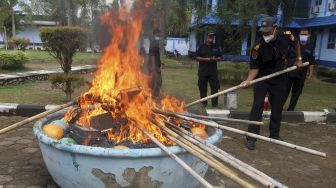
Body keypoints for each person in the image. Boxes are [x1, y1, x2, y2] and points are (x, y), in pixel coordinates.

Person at [241, 16, 303, 150]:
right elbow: (254, 68)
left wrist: (298, 59)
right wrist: (249, 80)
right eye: (263, 31)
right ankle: (251, 138)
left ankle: (274, 134)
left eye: (267, 31)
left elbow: (296, 42)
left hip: (280, 76)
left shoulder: (286, 36)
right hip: (263, 77)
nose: (265, 34)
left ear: (275, 28)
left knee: (277, 106)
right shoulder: (257, 47)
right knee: (257, 106)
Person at [284, 29, 315, 111]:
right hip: (289, 72)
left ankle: (291, 109)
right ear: (299, 35)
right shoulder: (293, 45)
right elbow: (285, 58)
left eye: (305, 34)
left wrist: (310, 75)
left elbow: (311, 63)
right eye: (302, 34)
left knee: (296, 92)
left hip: (301, 74)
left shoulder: (310, 48)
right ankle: (279, 107)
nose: (303, 36)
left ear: (309, 35)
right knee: (285, 90)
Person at [196, 31, 222, 108]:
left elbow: (220, 57)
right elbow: (197, 57)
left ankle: (215, 105)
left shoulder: (217, 46)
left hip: (213, 72)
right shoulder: (201, 46)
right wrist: (206, 59)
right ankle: (204, 104)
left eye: (212, 36)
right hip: (203, 72)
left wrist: (215, 59)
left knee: (215, 89)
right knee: (202, 89)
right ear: (206, 37)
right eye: (210, 36)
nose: (211, 38)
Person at [149, 29, 164, 98]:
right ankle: (154, 95)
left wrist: (161, 62)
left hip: (155, 65)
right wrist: (153, 67)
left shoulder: (155, 42)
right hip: (154, 66)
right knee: (158, 81)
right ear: (154, 34)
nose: (159, 36)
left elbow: (156, 55)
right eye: (158, 35)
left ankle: (151, 94)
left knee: (152, 80)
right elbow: (152, 55)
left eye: (159, 35)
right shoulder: (153, 43)